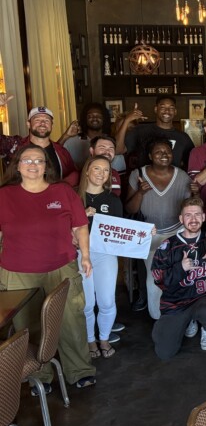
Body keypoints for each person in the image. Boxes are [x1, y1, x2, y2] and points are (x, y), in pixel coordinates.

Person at [0, 144, 96, 390]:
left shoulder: (62, 192)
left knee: (71, 320)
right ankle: (39, 376)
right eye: (27, 160)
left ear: (46, 166)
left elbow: (80, 226)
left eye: (39, 161)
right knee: (26, 325)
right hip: (18, 272)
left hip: (61, 267)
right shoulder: (4, 195)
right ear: (18, 165)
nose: (33, 165)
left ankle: (79, 370)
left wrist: (85, 255)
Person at [151, 197, 206, 360]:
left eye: (197, 215)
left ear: (203, 217)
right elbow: (159, 280)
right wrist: (181, 268)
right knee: (164, 352)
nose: (193, 219)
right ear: (181, 219)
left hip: (203, 300)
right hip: (176, 304)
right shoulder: (168, 245)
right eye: (188, 215)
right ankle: (189, 321)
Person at [125, 138, 198, 318]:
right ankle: (158, 317)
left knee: (180, 273)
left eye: (167, 152)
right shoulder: (138, 174)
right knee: (155, 277)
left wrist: (196, 192)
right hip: (151, 234)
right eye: (158, 152)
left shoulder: (182, 176)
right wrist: (141, 192)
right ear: (150, 156)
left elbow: (191, 206)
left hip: (177, 231)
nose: (164, 155)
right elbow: (130, 209)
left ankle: (182, 316)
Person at [78, 155, 125, 359]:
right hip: (80, 253)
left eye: (106, 170)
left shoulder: (113, 200)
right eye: (97, 169)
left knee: (106, 301)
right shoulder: (74, 198)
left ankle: (104, 338)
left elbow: (123, 231)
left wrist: (142, 234)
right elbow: (59, 228)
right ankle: (90, 340)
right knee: (87, 303)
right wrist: (82, 216)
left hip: (106, 254)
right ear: (87, 171)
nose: (101, 174)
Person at [0, 106, 79, 186]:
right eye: (37, 120)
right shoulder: (15, 145)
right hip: (19, 197)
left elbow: (74, 175)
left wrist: (62, 187)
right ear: (28, 124)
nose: (42, 123)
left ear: (52, 125)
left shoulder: (62, 152)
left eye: (47, 120)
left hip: (54, 198)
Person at [116, 96, 195, 169]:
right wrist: (127, 120)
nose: (167, 111)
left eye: (171, 108)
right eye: (163, 107)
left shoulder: (183, 137)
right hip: (144, 182)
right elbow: (118, 150)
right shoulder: (140, 131)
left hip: (172, 182)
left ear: (175, 111)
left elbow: (192, 164)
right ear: (156, 109)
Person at [58, 102, 115, 170]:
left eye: (98, 116)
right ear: (85, 119)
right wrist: (65, 136)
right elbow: (54, 154)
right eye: (90, 116)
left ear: (104, 119)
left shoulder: (110, 141)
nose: (94, 118)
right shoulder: (72, 141)